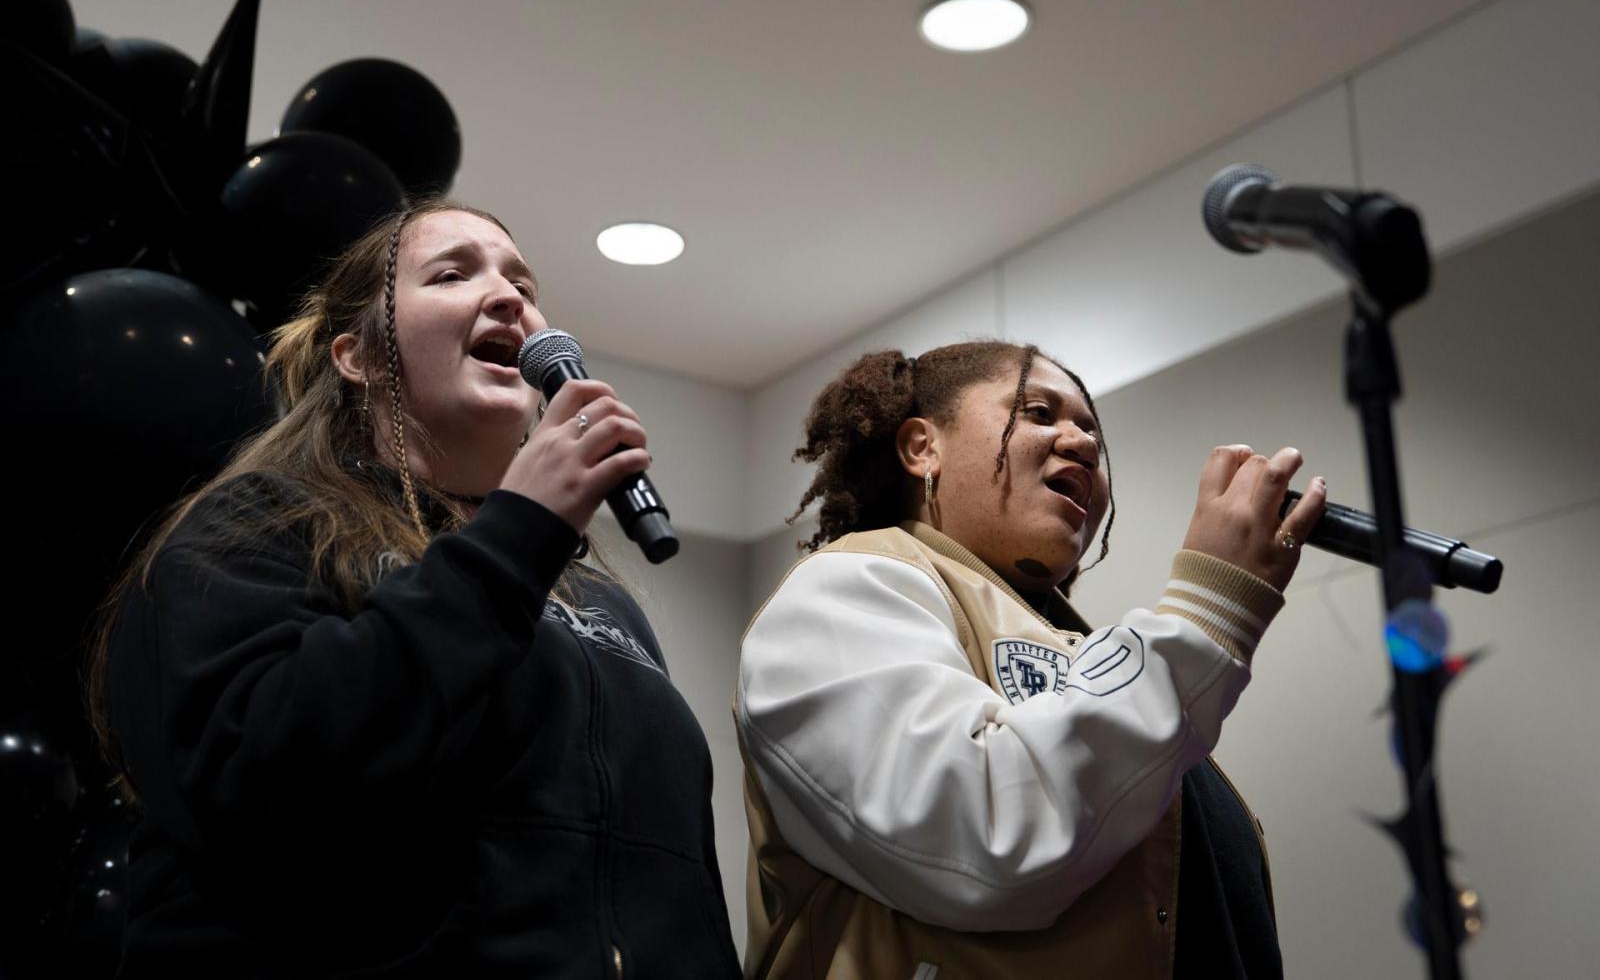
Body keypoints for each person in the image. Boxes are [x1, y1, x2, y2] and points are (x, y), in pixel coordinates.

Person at [88, 199, 742, 978]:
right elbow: (259, 781)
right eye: (454, 273)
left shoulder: (599, 599)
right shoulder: (262, 523)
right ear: (357, 355)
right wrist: (515, 536)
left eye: (523, 286)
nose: (510, 298)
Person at [736, 342, 1327, 979]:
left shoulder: (1089, 650)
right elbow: (984, 838)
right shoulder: (844, 590)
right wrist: (1209, 609)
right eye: (1040, 412)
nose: (1081, 443)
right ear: (921, 448)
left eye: (1092, 432)